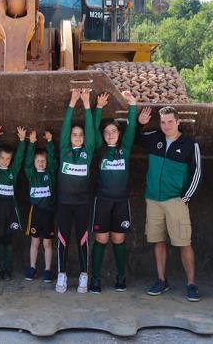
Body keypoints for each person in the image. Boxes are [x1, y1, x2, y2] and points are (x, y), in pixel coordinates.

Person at [137, 105, 202, 302]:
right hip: (153, 199)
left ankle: (191, 284)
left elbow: (197, 172)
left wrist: (186, 197)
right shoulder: (155, 137)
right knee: (158, 241)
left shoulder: (190, 144)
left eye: (170, 122)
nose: (166, 126)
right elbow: (134, 140)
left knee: (183, 243)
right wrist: (140, 125)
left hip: (176, 200)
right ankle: (161, 280)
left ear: (178, 121)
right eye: (163, 122)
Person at [89, 91, 137, 294]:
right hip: (102, 201)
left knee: (118, 239)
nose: (110, 134)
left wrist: (133, 105)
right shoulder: (99, 149)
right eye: (107, 132)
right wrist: (98, 107)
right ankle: (96, 280)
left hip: (121, 202)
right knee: (101, 239)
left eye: (114, 132)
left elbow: (132, 127)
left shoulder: (124, 149)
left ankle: (120, 277)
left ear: (119, 134)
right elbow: (91, 130)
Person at [56, 88, 95, 293]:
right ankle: (61, 275)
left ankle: (83, 276)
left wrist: (87, 104)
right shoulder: (64, 150)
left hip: (82, 204)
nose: (78, 137)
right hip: (64, 202)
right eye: (74, 134)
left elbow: (90, 129)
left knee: (82, 239)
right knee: (62, 238)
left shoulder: (88, 151)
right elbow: (64, 128)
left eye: (80, 135)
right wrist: (72, 102)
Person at [0, 126, 27, 282]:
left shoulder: (12, 170)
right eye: (2, 157)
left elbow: (19, 159)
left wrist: (23, 141)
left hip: (10, 207)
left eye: (8, 158)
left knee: (8, 240)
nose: (5, 161)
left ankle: (8, 269)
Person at [24, 130, 57, 283]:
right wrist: (31, 143)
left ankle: (47, 270)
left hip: (48, 212)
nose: (41, 162)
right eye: (38, 160)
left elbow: (54, 162)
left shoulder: (50, 173)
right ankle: (32, 267)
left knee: (47, 242)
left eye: (43, 160)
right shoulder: (31, 173)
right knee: (35, 241)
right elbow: (28, 160)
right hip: (35, 212)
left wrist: (50, 142)